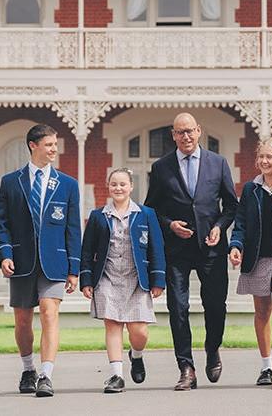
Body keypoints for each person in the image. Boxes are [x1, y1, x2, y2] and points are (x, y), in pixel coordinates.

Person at [144, 112, 239, 391]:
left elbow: (231, 206)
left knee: (215, 305)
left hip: (211, 247)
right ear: (173, 135)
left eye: (190, 131)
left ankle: (212, 349)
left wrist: (219, 227)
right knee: (178, 307)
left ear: (199, 131)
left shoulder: (218, 163)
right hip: (176, 250)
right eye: (180, 132)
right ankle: (186, 367)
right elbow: (151, 209)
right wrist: (170, 225)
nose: (185, 136)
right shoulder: (161, 167)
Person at [0, 124, 81, 398]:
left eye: (55, 144)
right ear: (33, 145)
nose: (54, 149)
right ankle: (28, 369)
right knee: (22, 321)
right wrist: (5, 254)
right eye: (49, 144)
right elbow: (1, 224)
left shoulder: (68, 185)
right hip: (21, 262)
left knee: (48, 312)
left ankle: (46, 375)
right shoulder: (11, 182)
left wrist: (74, 269)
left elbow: (73, 228)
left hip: (55, 262)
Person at [80, 168, 166, 393]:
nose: (118, 188)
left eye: (122, 184)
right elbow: (87, 250)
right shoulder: (98, 216)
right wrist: (86, 280)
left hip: (137, 279)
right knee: (113, 325)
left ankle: (136, 355)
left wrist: (158, 280)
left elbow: (157, 248)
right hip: (107, 278)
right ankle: (116, 375)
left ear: (131, 187)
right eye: (114, 184)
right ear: (108, 187)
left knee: (139, 331)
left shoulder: (146, 214)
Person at [228, 138, 272, 389]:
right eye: (261, 157)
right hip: (256, 258)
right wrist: (235, 246)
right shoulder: (251, 189)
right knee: (262, 312)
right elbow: (240, 224)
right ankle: (266, 366)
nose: (264, 161)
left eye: (269, 157)